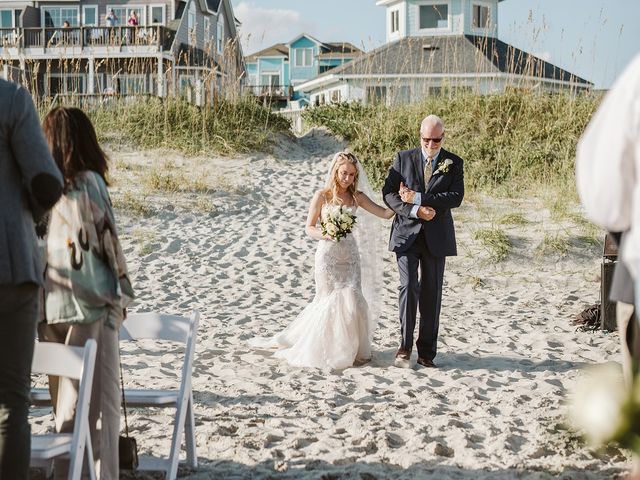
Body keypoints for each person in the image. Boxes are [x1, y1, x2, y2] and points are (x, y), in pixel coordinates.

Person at [40, 107, 134, 480]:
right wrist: (122, 295)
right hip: (93, 304)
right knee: (101, 407)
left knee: (66, 404)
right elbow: (109, 241)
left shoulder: (45, 190)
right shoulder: (90, 182)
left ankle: (64, 473)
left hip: (52, 306)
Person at [251, 151, 394, 369]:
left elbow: (384, 214)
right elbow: (309, 227)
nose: (347, 179)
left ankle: (352, 349)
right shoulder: (322, 196)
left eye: (352, 175)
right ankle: (327, 349)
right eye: (344, 173)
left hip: (350, 256)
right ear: (336, 171)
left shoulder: (357, 197)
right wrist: (325, 234)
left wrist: (403, 199)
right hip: (328, 255)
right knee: (328, 301)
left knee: (353, 301)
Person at [0, 79, 63, 479]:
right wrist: (27, 217)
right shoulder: (13, 101)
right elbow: (48, 182)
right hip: (11, 267)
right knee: (11, 404)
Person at [382, 114, 464, 368]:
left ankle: (427, 352)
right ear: (420, 136)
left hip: (437, 237)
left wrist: (419, 199)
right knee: (409, 287)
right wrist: (414, 210)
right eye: (426, 139)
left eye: (436, 140)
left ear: (443, 137)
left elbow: (455, 197)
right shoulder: (402, 158)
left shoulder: (454, 162)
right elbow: (388, 194)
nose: (430, 145)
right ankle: (404, 347)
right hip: (407, 234)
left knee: (432, 293)